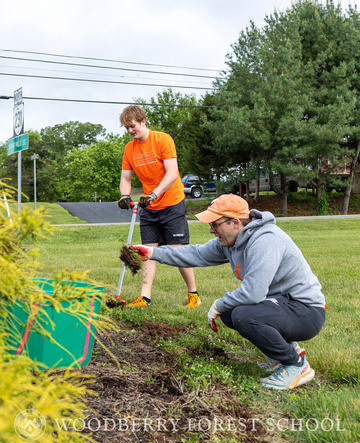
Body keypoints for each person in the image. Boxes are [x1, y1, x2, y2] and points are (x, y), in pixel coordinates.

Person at [130, 193, 326, 390]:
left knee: (243, 315)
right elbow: (196, 254)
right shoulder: (231, 241)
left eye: (215, 224)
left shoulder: (266, 240)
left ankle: (296, 365)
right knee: (232, 313)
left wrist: (218, 304)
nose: (212, 231)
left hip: (305, 311)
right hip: (282, 305)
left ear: (235, 222)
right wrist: (153, 253)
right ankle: (282, 353)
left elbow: (253, 293)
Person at [118, 105, 200, 308]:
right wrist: (124, 195)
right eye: (127, 127)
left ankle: (193, 294)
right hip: (149, 208)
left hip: (172, 203)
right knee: (148, 252)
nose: (130, 131)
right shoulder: (130, 149)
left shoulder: (163, 139)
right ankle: (145, 297)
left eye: (133, 126)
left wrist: (154, 194)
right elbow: (125, 177)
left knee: (177, 252)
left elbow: (172, 173)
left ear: (143, 121)